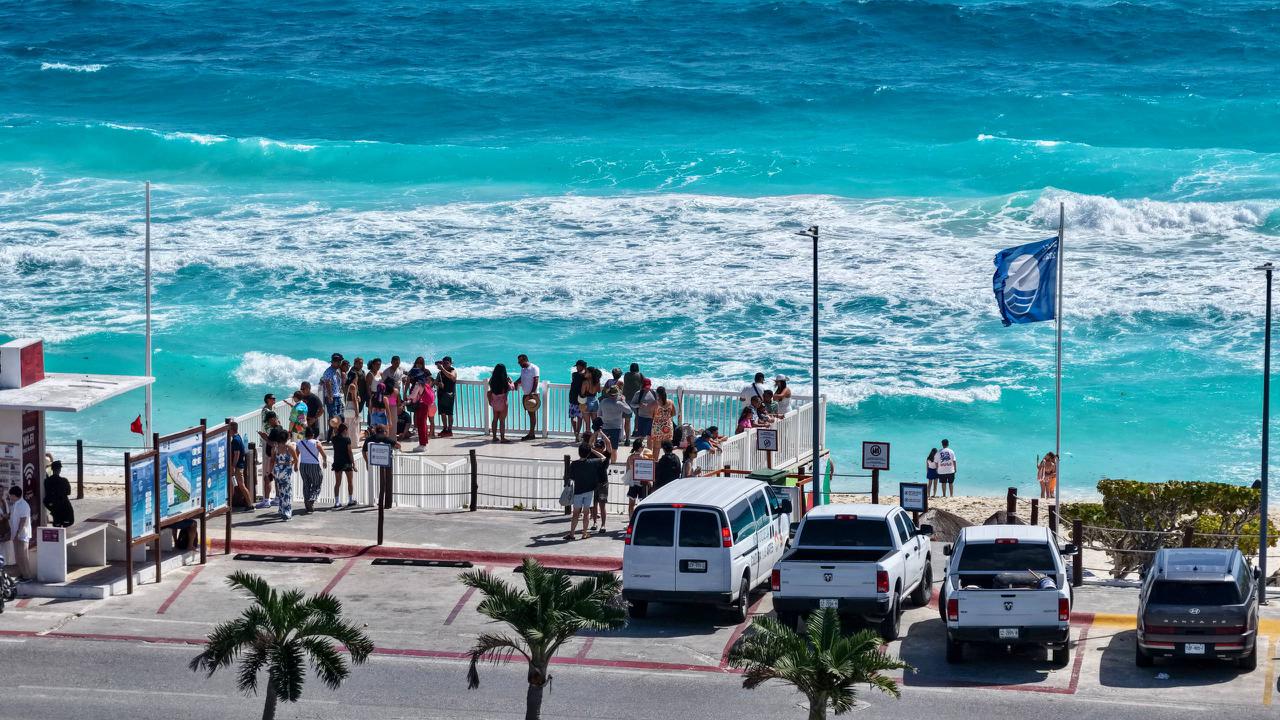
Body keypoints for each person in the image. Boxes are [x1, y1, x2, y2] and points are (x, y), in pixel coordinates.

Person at [564, 442, 607, 541]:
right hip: (589, 491)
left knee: (575, 513)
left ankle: (572, 534)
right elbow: (603, 458)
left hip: (578, 491)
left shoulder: (574, 464)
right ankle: (584, 533)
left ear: (579, 452)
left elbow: (571, 477)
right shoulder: (592, 462)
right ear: (588, 453)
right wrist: (592, 450)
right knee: (586, 513)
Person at [268, 428, 298, 520]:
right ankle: (286, 511)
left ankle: (281, 509)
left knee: (280, 491)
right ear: (286, 438)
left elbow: (272, 461)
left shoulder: (275, 448)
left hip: (277, 470)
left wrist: (269, 471)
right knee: (287, 491)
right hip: (286, 470)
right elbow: (296, 459)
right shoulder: (289, 447)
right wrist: (291, 464)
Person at [588, 429, 615, 532]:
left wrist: (601, 433)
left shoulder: (607, 455)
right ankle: (595, 522)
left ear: (603, 448)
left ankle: (603, 525)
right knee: (594, 505)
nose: (597, 448)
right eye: (596, 446)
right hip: (593, 483)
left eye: (599, 447)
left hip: (603, 483)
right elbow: (590, 443)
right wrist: (595, 432)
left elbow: (608, 443)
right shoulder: (592, 454)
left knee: (602, 505)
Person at [296, 427, 327, 513]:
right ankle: (311, 499)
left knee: (306, 484)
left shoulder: (300, 443)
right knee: (317, 483)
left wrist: (295, 465)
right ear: (313, 435)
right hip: (314, 465)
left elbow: (296, 456)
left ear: (305, 435)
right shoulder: (316, 443)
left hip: (303, 465)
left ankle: (307, 504)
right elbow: (324, 455)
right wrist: (324, 462)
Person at [255, 411, 282, 508]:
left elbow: (273, 444)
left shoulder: (275, 430)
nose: (269, 423)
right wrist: (267, 436)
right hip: (276, 457)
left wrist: (264, 437)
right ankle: (277, 498)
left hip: (271, 457)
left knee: (267, 478)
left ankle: (266, 501)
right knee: (275, 478)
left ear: (274, 419)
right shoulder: (280, 428)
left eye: (270, 420)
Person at [599, 385, 632, 459]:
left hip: (605, 427)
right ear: (617, 394)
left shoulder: (603, 402)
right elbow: (629, 411)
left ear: (609, 393)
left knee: (605, 447)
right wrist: (624, 401)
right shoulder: (619, 403)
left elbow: (599, 414)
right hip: (616, 428)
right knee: (614, 449)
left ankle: (605, 463)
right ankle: (613, 463)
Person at [6, 486, 32, 581]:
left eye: (10, 495)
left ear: (14, 495)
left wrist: (18, 533)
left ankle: (28, 576)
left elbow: (23, 520)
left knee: (23, 556)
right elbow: (13, 517)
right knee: (17, 556)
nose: (10, 497)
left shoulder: (23, 505)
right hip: (15, 535)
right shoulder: (15, 505)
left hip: (22, 535)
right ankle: (22, 573)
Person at [331, 423, 358, 508]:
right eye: (347, 429)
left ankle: (337, 502)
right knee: (350, 482)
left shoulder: (334, 438)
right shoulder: (347, 439)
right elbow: (350, 452)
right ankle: (350, 500)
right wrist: (353, 463)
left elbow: (334, 434)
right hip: (346, 462)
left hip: (337, 462)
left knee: (337, 483)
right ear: (345, 430)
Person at [228, 422, 253, 511]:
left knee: (241, 485)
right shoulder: (238, 437)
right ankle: (230, 504)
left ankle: (250, 504)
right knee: (235, 485)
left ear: (231, 429)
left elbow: (237, 454)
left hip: (238, 467)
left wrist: (233, 466)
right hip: (239, 466)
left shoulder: (235, 440)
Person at [516, 354, 541, 440]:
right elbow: (521, 378)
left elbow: (536, 380)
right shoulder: (523, 369)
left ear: (525, 360)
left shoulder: (534, 368)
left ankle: (531, 434)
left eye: (520, 361)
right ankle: (531, 433)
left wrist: (532, 392)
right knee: (530, 414)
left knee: (532, 414)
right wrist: (516, 382)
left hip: (532, 394)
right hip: (526, 394)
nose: (519, 363)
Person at [320, 353, 345, 440]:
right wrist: (330, 396)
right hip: (332, 397)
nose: (339, 363)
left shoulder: (336, 370)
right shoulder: (329, 371)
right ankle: (335, 436)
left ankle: (333, 436)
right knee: (333, 417)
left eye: (340, 362)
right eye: (338, 362)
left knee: (338, 417)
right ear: (333, 362)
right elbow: (327, 383)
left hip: (337, 396)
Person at [624, 440, 651, 517]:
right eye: (643, 446)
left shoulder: (630, 457)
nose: (644, 447)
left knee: (631, 505)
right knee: (643, 504)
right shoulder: (644, 457)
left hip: (633, 483)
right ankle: (641, 519)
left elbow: (627, 470)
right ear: (639, 448)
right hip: (642, 483)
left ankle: (631, 520)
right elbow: (647, 472)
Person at [487, 364, 513, 443]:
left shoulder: (492, 380)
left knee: (495, 419)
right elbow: (512, 387)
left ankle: (494, 437)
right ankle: (502, 438)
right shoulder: (505, 381)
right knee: (502, 421)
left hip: (495, 402)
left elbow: (490, 387)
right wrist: (511, 381)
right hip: (503, 403)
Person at [43, 460, 74, 527]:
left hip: (53, 505)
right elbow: (68, 492)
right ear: (59, 470)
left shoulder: (47, 481)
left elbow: (47, 493)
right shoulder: (64, 480)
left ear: (52, 469)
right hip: (64, 505)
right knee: (68, 522)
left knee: (57, 524)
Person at [411, 370, 436, 452]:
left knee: (421, 425)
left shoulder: (418, 384)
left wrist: (407, 398)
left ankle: (422, 445)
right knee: (424, 424)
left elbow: (413, 396)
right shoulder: (425, 384)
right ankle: (424, 443)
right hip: (425, 405)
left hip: (420, 406)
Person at [648, 386, 675, 456]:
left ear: (657, 394)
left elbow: (651, 415)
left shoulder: (655, 403)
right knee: (668, 447)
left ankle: (655, 461)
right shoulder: (670, 402)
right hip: (667, 426)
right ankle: (669, 461)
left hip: (657, 427)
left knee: (656, 448)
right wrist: (666, 417)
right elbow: (674, 413)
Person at [435, 356, 457, 437]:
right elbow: (435, 382)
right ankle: (445, 429)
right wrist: (438, 384)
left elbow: (452, 377)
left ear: (450, 363)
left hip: (449, 394)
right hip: (441, 394)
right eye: (444, 363)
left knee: (449, 413)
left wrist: (442, 369)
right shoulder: (440, 373)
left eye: (447, 363)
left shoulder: (453, 370)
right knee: (443, 413)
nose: (445, 365)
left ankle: (450, 430)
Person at [631, 379, 657, 443]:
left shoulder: (653, 393)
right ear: (643, 386)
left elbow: (658, 403)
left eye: (649, 386)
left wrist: (655, 405)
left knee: (650, 438)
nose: (647, 388)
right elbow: (632, 404)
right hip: (642, 418)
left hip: (652, 418)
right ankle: (638, 448)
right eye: (646, 387)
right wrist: (639, 405)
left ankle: (649, 449)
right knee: (641, 438)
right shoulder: (638, 393)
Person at [622, 363, 644, 441]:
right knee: (637, 416)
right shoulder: (640, 375)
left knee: (627, 419)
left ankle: (627, 439)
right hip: (636, 399)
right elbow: (644, 383)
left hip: (627, 399)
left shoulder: (626, 375)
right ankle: (635, 431)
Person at [568, 359, 587, 441]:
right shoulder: (585, 376)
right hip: (579, 399)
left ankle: (576, 433)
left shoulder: (575, 374)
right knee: (578, 417)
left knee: (574, 416)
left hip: (574, 398)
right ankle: (577, 433)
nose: (576, 368)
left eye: (578, 366)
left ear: (581, 366)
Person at [580, 367, 602, 437]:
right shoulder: (597, 381)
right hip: (595, 402)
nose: (585, 373)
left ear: (590, 374)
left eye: (586, 372)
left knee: (587, 424)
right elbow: (599, 391)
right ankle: (595, 439)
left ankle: (588, 440)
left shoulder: (585, 382)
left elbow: (582, 393)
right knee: (595, 423)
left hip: (587, 402)